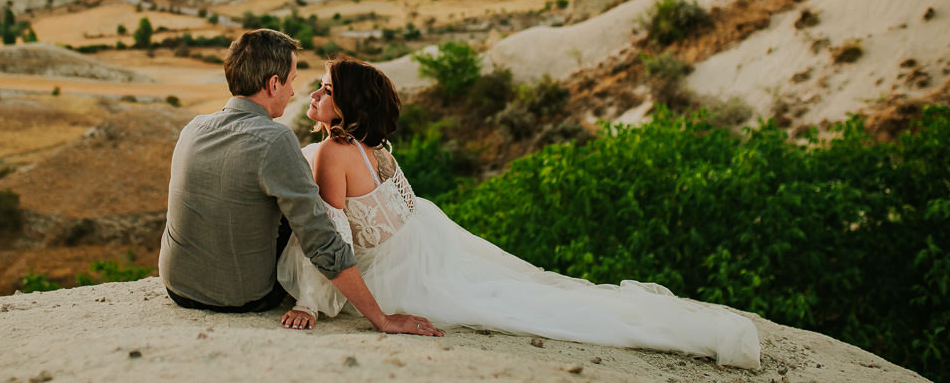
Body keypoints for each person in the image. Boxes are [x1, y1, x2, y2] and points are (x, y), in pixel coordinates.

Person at [276, 56, 761, 370]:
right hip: (428, 246)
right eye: (316, 87)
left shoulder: (332, 153)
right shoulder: (374, 145)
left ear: (348, 106)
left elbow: (331, 236)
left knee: (518, 306)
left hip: (400, 271)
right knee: (526, 294)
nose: (315, 96)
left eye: (326, 89)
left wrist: (309, 303)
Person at [158, 29, 443, 337]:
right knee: (311, 209)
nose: (294, 92)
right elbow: (321, 238)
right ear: (273, 83)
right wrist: (382, 319)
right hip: (241, 296)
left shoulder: (193, 128)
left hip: (177, 285)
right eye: (292, 80)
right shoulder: (275, 139)